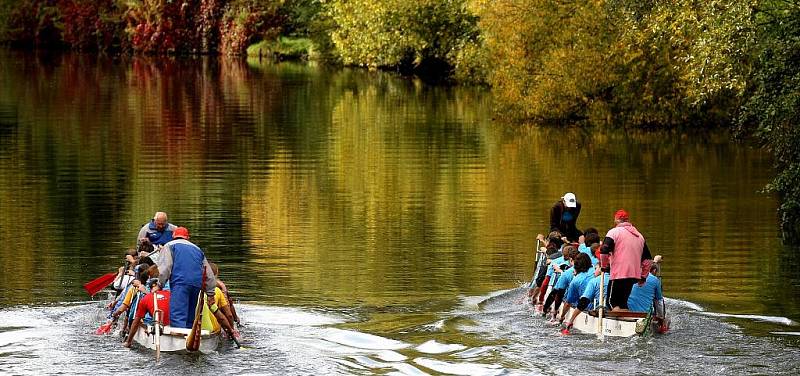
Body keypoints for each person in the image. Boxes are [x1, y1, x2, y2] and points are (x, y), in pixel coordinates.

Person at [157, 227, 216, 329]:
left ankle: (179, 340)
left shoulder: (169, 246)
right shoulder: (197, 249)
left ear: (173, 236)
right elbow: (208, 272)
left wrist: (160, 284)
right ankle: (189, 337)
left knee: (178, 315)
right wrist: (210, 293)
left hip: (180, 283)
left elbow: (165, 268)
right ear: (188, 237)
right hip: (196, 285)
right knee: (190, 316)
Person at [599, 209, 652, 311]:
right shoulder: (640, 236)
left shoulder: (613, 232)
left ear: (616, 220)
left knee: (611, 303)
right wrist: (643, 276)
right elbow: (648, 260)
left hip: (619, 274)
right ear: (628, 220)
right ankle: (627, 320)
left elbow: (604, 251)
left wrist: (603, 266)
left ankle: (619, 323)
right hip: (633, 275)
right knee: (622, 303)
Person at [123, 277, 171, 348]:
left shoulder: (145, 298)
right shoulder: (170, 294)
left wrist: (128, 342)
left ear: (152, 286)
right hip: (173, 325)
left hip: (159, 326)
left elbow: (136, 321)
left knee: (140, 320)